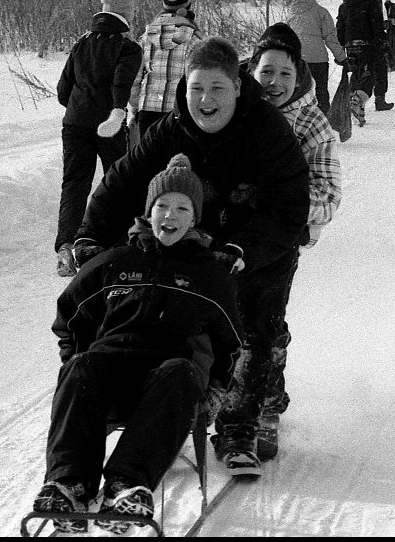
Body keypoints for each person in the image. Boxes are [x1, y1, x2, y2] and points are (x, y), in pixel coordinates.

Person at [71, 36, 310, 476]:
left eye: (217, 88)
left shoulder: (268, 131)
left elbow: (290, 206)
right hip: (194, 239)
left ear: (238, 86)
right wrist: (89, 237)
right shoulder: (171, 128)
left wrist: (243, 250)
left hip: (258, 245)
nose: (206, 99)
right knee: (173, 319)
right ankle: (162, 400)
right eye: (197, 87)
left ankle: (239, 427)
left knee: (252, 328)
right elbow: (122, 183)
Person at [32, 154, 243, 534]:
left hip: (166, 386)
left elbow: (229, 344)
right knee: (82, 366)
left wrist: (213, 392)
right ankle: (69, 484)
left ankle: (127, 484)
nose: (170, 215)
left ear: (194, 217)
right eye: (162, 205)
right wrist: (75, 358)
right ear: (148, 211)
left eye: (182, 207)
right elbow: (70, 316)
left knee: (179, 370)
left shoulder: (209, 275)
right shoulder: (115, 261)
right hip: (111, 378)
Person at [245, 22, 342, 459]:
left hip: (280, 240)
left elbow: (328, 193)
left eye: (285, 74)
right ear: (253, 70)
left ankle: (266, 406)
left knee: (264, 321)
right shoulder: (232, 106)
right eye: (267, 72)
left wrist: (283, 209)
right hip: (226, 233)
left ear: (299, 74)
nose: (275, 83)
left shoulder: (312, 125)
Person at [55, 0, 143, 277]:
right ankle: (115, 243)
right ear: (127, 17)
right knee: (116, 181)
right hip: (109, 124)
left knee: (74, 183)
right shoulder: (128, 48)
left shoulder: (81, 43)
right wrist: (115, 110)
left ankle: (66, 248)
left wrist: (81, 106)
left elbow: (62, 90)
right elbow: (121, 84)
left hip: (75, 123)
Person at [129, 0, 204, 145]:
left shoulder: (146, 37)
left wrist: (138, 104)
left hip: (147, 110)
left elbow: (134, 79)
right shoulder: (195, 40)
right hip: (179, 112)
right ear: (187, 9)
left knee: (149, 164)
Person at [285, 0, 347, 115]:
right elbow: (330, 38)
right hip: (318, 60)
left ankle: (299, 119)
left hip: (298, 60)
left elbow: (286, 37)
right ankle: (324, 119)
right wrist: (342, 58)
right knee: (321, 92)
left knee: (299, 92)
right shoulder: (320, 12)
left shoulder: (291, 13)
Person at [335, 0, 387, 126]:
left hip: (350, 46)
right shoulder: (371, 2)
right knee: (369, 76)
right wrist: (382, 43)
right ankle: (356, 103)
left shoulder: (344, 5)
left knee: (356, 75)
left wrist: (340, 50)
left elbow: (340, 28)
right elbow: (376, 25)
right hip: (367, 45)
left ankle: (356, 110)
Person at [367, 0, 395, 111]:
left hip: (363, 39)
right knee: (380, 69)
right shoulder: (375, 0)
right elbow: (377, 23)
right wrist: (390, 22)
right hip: (375, 40)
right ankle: (380, 100)